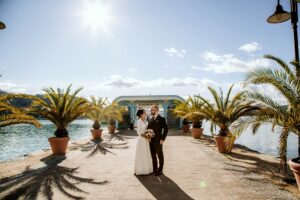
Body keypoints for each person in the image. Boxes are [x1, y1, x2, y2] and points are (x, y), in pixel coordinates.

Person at [148, 105, 168, 176]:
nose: (152, 111)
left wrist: (162, 139)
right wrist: (148, 137)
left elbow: (166, 129)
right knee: (153, 156)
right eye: (151, 110)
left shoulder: (161, 119)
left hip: (158, 140)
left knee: (160, 155)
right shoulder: (151, 119)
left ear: (157, 110)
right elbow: (149, 129)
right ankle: (155, 169)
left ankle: (160, 169)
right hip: (151, 141)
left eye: (153, 110)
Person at [134, 109, 153, 175]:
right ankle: (141, 170)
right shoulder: (139, 121)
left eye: (145, 113)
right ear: (141, 114)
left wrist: (149, 134)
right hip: (141, 140)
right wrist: (146, 136)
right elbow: (138, 132)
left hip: (146, 140)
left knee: (146, 153)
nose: (145, 114)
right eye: (144, 113)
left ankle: (148, 169)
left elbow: (147, 130)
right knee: (142, 154)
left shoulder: (145, 121)